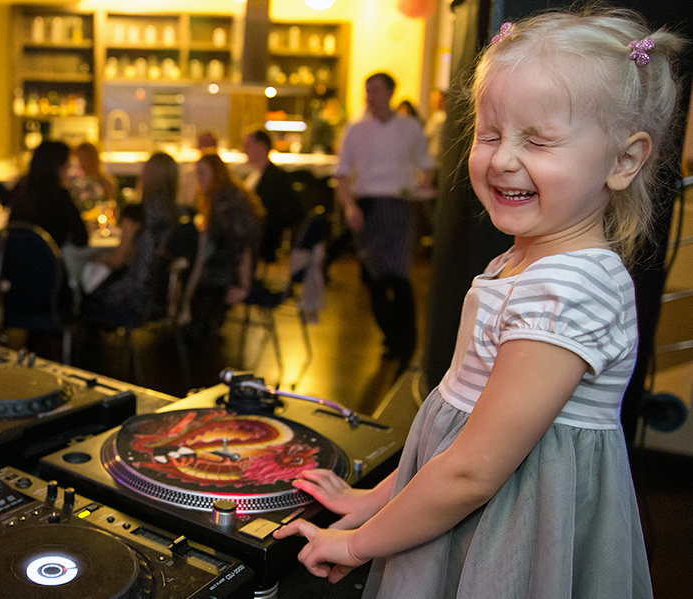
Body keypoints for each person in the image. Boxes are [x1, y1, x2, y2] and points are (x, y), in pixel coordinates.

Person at [274, 9, 682, 598]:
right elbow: (455, 436)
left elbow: (471, 471)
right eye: (489, 134)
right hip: (457, 516)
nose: (502, 158)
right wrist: (375, 500)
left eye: (538, 140)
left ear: (624, 160)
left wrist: (355, 543)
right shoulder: (517, 265)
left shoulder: (570, 288)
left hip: (506, 535)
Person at [335, 72, 436, 371]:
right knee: (375, 278)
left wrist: (420, 188)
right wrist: (350, 207)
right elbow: (341, 174)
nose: (370, 96)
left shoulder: (409, 128)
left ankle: (406, 344)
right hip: (367, 207)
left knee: (400, 277)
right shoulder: (355, 129)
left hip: (400, 206)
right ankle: (393, 338)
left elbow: (427, 167)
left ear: (391, 92)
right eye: (367, 90)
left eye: (376, 90)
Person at [81, 151, 181, 320]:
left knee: (83, 290)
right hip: (164, 297)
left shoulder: (137, 213)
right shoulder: (182, 215)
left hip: (133, 296)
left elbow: (116, 260)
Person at [189, 152, 264, 334]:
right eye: (197, 173)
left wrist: (243, 285)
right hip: (238, 265)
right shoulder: (230, 193)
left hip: (232, 272)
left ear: (216, 174)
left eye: (203, 173)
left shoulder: (224, 200)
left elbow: (241, 244)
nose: (199, 179)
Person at [9, 140, 89, 248]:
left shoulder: (21, 189)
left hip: (15, 260)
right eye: (68, 166)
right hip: (47, 261)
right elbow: (81, 238)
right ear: (60, 168)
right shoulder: (60, 195)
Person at [243, 129, 304, 264]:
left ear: (261, 147)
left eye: (247, 145)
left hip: (262, 239)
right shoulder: (255, 175)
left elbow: (294, 210)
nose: (244, 150)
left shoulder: (276, 177)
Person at [71, 141, 117, 211]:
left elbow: (111, 206)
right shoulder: (74, 182)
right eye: (79, 158)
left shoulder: (105, 183)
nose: (81, 162)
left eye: (84, 158)